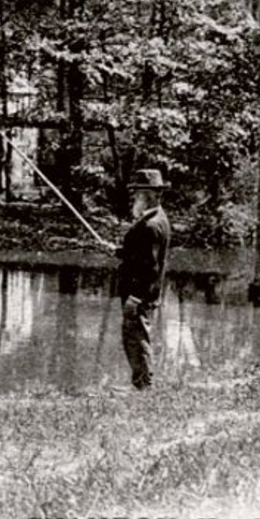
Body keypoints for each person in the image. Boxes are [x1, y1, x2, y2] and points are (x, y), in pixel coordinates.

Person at [116, 167, 171, 391]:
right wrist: (120, 251)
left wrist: (136, 297)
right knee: (135, 336)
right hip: (144, 292)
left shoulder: (150, 225)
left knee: (137, 338)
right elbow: (142, 256)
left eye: (137, 192)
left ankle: (143, 387)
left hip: (140, 293)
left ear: (148, 195)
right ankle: (140, 383)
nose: (134, 197)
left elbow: (150, 267)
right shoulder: (157, 219)